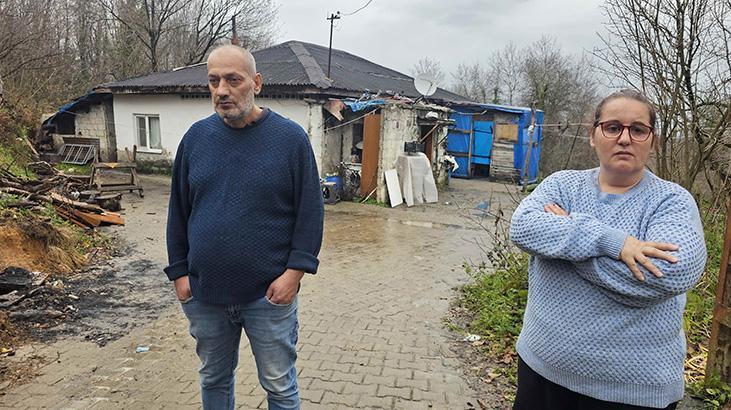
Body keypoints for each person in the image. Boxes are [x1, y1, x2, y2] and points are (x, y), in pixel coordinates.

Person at [510, 89, 707, 409]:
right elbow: (522, 227)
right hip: (542, 372)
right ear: (593, 136)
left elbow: (668, 273)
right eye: (612, 127)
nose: (625, 139)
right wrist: (612, 242)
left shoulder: (672, 201)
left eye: (638, 129)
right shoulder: (562, 184)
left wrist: (567, 247)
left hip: (633, 391)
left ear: (654, 141)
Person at [164, 44, 324, 410]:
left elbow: (310, 214)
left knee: (279, 386)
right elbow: (178, 212)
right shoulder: (195, 139)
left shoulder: (290, 140)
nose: (221, 90)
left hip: (268, 296)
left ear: (256, 83)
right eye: (213, 81)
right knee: (214, 379)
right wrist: (180, 275)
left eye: (232, 80)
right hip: (205, 294)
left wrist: (294, 274)